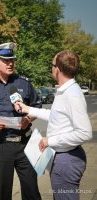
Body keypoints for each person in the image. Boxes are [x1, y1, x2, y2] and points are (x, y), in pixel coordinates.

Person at [15, 50, 92, 200]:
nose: (51, 68)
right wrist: (28, 109)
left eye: (52, 65)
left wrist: (49, 141)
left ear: (58, 69)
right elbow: (55, 116)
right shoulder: (65, 91)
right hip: (64, 158)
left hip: (67, 160)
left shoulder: (72, 95)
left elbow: (85, 133)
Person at [0, 42, 42, 200]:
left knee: (32, 191)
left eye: (12, 60)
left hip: (25, 143)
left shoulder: (24, 83)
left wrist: (28, 118)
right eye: (6, 60)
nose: (10, 63)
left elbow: (36, 105)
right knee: (2, 192)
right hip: (0, 146)